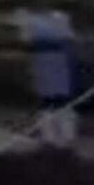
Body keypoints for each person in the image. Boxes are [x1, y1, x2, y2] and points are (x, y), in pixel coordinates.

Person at [24, 9, 78, 146]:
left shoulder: (51, 20)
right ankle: (56, 137)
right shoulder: (39, 21)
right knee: (55, 103)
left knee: (55, 103)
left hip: (52, 57)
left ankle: (57, 137)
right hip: (51, 57)